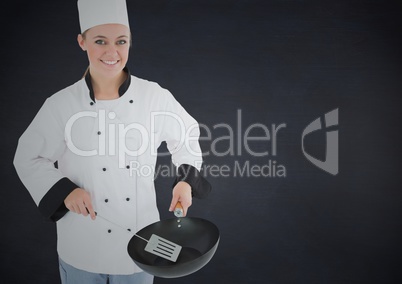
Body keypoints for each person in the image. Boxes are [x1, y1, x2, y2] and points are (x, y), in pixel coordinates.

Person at [13, 0, 211, 283]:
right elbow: (28, 156)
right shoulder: (61, 104)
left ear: (130, 43)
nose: (111, 51)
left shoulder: (153, 96)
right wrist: (64, 192)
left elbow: (187, 136)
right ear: (82, 42)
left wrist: (185, 181)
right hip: (81, 244)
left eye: (121, 41)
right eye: (100, 41)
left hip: (141, 242)